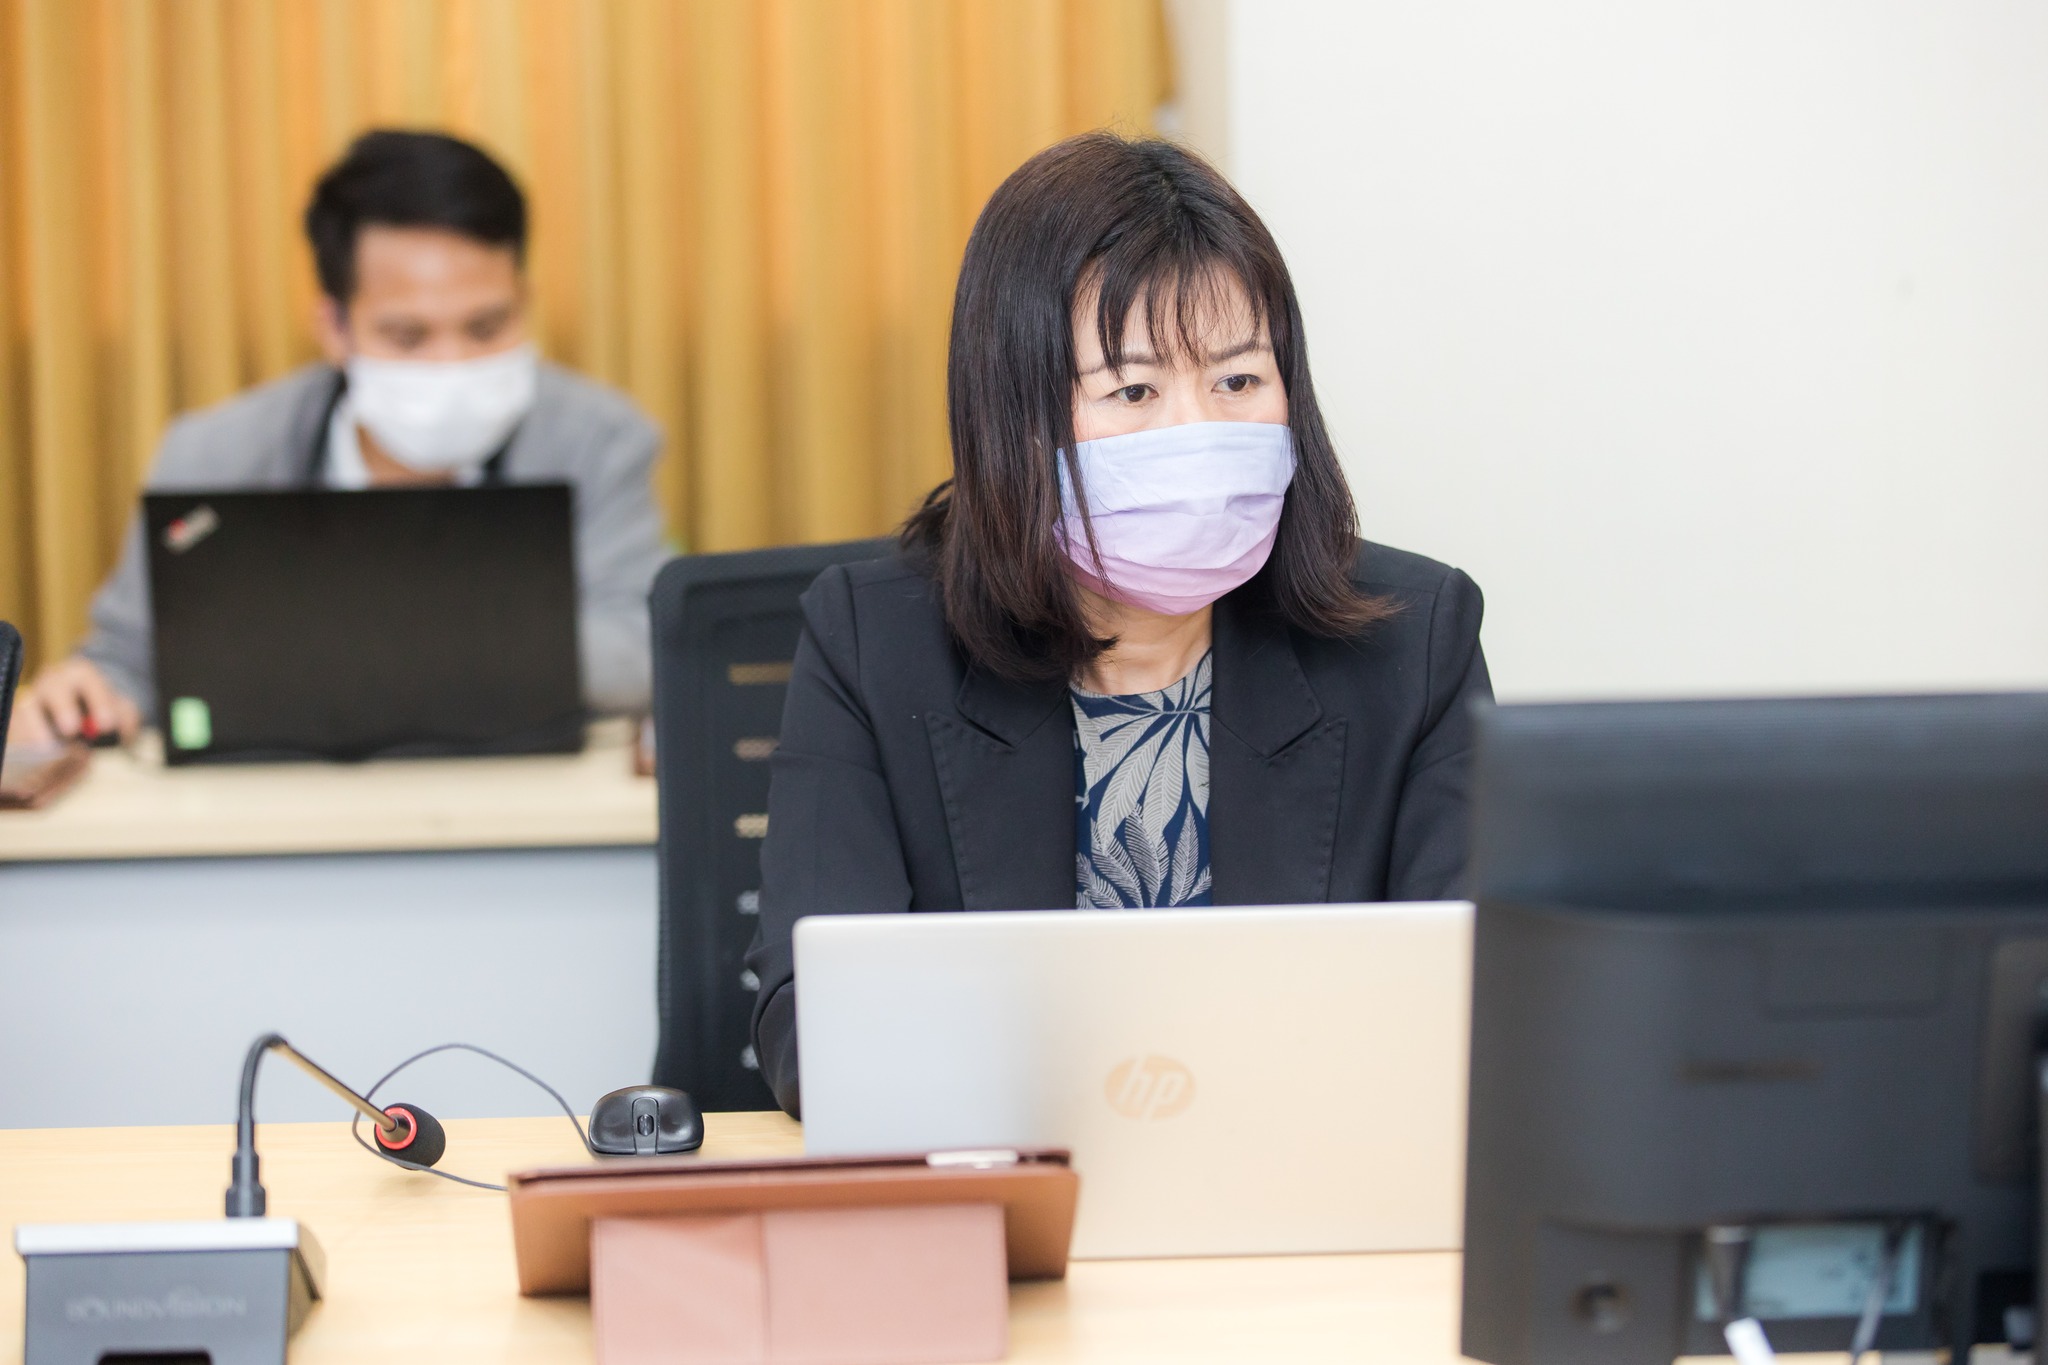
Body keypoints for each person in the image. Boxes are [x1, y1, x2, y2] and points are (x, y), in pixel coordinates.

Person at [745, 132, 1492, 1116]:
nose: (1197, 434)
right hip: (1006, 1185)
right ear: (1014, 421)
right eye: (1133, 391)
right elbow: (814, 1028)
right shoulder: (873, 644)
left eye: (1237, 381)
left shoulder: (1415, 638)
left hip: (1300, 1183)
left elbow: (1484, 1014)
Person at [8, 129, 666, 749]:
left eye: (487, 327)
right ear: (335, 329)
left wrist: (378, 645)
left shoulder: (599, 440)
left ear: (524, 301)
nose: (453, 363)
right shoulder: (215, 457)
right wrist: (85, 694)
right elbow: (125, 663)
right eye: (407, 335)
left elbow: (642, 647)